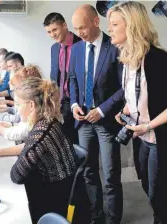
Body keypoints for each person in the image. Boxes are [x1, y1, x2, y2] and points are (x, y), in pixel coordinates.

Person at [107, 2, 167, 223]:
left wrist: (148, 126)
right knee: (148, 189)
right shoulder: (128, 61)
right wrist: (125, 110)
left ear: (132, 26)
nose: (109, 29)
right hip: (141, 138)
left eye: (114, 24)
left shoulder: (157, 59)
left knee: (159, 197)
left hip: (158, 139)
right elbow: (133, 95)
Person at [70, 4, 123, 224]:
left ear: (95, 22)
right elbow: (73, 80)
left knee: (110, 175)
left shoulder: (115, 47)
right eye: (76, 28)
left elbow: (124, 88)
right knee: (88, 173)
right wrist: (74, 104)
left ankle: (112, 220)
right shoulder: (77, 48)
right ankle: (96, 218)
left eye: (82, 27)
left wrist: (102, 110)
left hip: (106, 121)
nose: (79, 33)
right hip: (84, 123)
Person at [10, 77, 77, 224]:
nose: (17, 109)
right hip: (63, 190)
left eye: (18, 104)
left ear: (32, 105)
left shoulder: (40, 134)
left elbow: (16, 175)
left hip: (54, 200)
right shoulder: (48, 121)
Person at [0, 65, 42, 159]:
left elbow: (21, 135)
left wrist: (1, 130)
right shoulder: (37, 112)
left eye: (18, 104)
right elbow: (27, 142)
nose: (18, 109)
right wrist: (12, 125)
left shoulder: (40, 124)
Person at [43, 12, 81, 143]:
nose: (52, 35)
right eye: (48, 32)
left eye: (55, 29)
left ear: (64, 25)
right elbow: (54, 75)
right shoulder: (54, 48)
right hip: (61, 101)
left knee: (77, 140)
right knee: (64, 139)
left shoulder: (81, 44)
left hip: (78, 100)